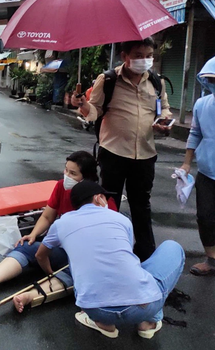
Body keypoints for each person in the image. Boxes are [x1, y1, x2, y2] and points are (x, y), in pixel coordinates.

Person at [34, 180, 184, 339]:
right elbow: (125, 256)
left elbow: (40, 255)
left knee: (78, 259)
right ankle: (148, 322)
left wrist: (50, 274)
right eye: (105, 197)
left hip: (94, 309)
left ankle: (103, 324)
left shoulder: (61, 223)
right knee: (172, 247)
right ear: (98, 198)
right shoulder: (121, 219)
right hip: (142, 306)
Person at [71, 37, 173, 261]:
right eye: (138, 56)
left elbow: (163, 108)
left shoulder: (156, 81)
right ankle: (109, 250)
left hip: (145, 153)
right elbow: (95, 110)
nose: (144, 60)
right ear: (124, 56)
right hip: (114, 152)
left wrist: (164, 121)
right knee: (110, 203)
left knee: (141, 204)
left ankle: (146, 254)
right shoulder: (107, 80)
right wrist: (82, 104)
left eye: (148, 56)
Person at [0, 151, 116, 296]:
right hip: (65, 250)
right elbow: (47, 217)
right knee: (26, 246)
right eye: (66, 170)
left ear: (86, 178)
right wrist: (33, 235)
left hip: (88, 256)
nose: (67, 176)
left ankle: (44, 288)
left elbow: (109, 241)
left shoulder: (102, 201)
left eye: (73, 173)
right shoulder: (61, 187)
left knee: (74, 269)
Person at [179, 52, 215, 290]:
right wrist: (187, 163)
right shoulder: (201, 104)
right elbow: (195, 133)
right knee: (205, 216)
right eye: (210, 80)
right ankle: (212, 260)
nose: (213, 85)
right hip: (207, 171)